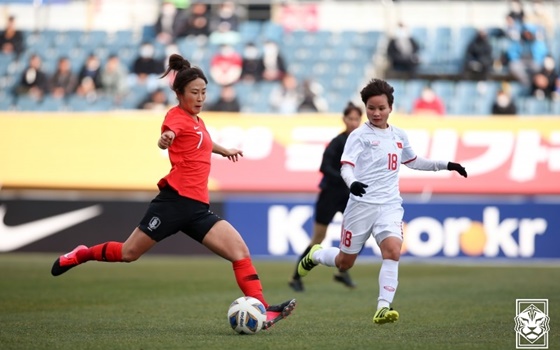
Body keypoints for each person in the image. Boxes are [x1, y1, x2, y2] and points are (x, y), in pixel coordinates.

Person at [51, 53, 296, 330]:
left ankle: (262, 310)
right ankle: (81, 254)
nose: (201, 97)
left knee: (239, 251)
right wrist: (164, 139)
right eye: (195, 92)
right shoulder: (175, 117)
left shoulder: (198, 121)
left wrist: (223, 149)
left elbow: (202, 141)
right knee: (129, 253)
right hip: (173, 203)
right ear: (179, 93)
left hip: (197, 208)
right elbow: (167, 135)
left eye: (204, 92)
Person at [297, 79, 467, 324]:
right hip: (360, 206)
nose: (376, 113)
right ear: (366, 107)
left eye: (381, 108)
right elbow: (346, 167)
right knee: (345, 263)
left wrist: (446, 165)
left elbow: (415, 161)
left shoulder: (399, 135)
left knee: (393, 251)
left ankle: (383, 308)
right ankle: (315, 255)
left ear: (390, 108)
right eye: (371, 108)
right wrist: (352, 183)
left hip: (389, 205)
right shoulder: (358, 136)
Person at [289, 102, 363, 292]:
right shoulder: (337, 142)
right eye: (350, 119)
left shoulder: (362, 142)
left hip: (349, 197)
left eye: (357, 119)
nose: (353, 123)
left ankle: (341, 272)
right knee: (318, 238)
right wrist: (346, 178)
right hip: (330, 195)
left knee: (357, 235)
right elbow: (324, 168)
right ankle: (296, 277)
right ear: (344, 119)